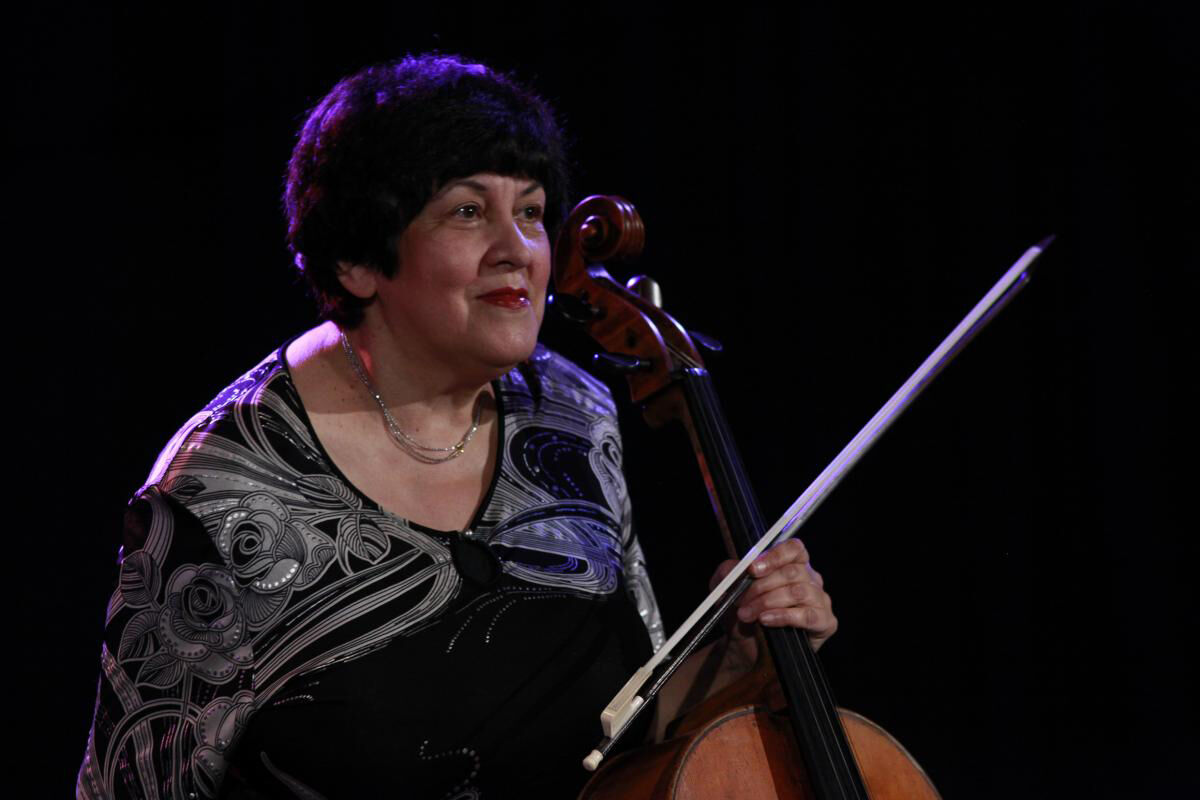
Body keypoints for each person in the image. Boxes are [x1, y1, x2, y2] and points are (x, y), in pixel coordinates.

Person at [77, 54, 837, 799]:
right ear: (357, 259)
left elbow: (622, 733)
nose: (519, 252)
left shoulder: (571, 415)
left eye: (531, 212)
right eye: (468, 212)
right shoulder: (219, 491)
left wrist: (740, 658)